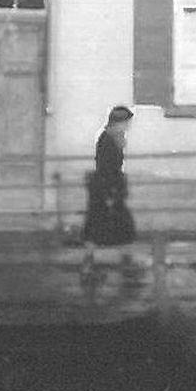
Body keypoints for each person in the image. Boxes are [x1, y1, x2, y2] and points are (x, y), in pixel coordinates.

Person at [80, 104, 138, 276]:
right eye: (127, 122)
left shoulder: (113, 137)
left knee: (112, 224)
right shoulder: (108, 140)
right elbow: (106, 167)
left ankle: (122, 259)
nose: (128, 126)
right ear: (118, 122)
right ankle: (93, 262)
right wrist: (111, 192)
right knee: (106, 224)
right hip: (106, 189)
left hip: (108, 188)